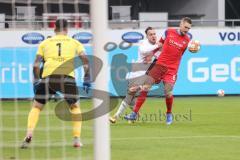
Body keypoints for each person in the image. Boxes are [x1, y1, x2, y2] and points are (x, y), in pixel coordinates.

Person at [21, 19, 90, 148]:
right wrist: (87, 78)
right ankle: (76, 139)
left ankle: (29, 134)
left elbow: (36, 65)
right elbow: (85, 60)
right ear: (67, 30)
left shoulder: (45, 42)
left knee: (36, 107)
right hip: (67, 77)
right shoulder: (75, 42)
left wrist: (36, 81)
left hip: (49, 77)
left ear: (54, 29)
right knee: (75, 107)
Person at [125, 17, 193, 125]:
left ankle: (169, 113)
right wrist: (151, 54)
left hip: (171, 69)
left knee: (168, 92)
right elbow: (159, 45)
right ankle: (134, 114)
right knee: (146, 87)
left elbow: (180, 55)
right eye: (185, 27)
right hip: (159, 65)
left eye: (189, 28)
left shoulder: (187, 40)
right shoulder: (168, 32)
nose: (186, 30)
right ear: (180, 24)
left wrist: (194, 49)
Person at [109, 27, 161, 123]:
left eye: (154, 34)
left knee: (130, 93)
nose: (153, 36)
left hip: (146, 75)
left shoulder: (159, 48)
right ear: (147, 36)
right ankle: (135, 113)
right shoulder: (144, 43)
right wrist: (158, 46)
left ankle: (116, 116)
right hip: (136, 72)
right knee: (130, 95)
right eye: (151, 34)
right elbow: (144, 51)